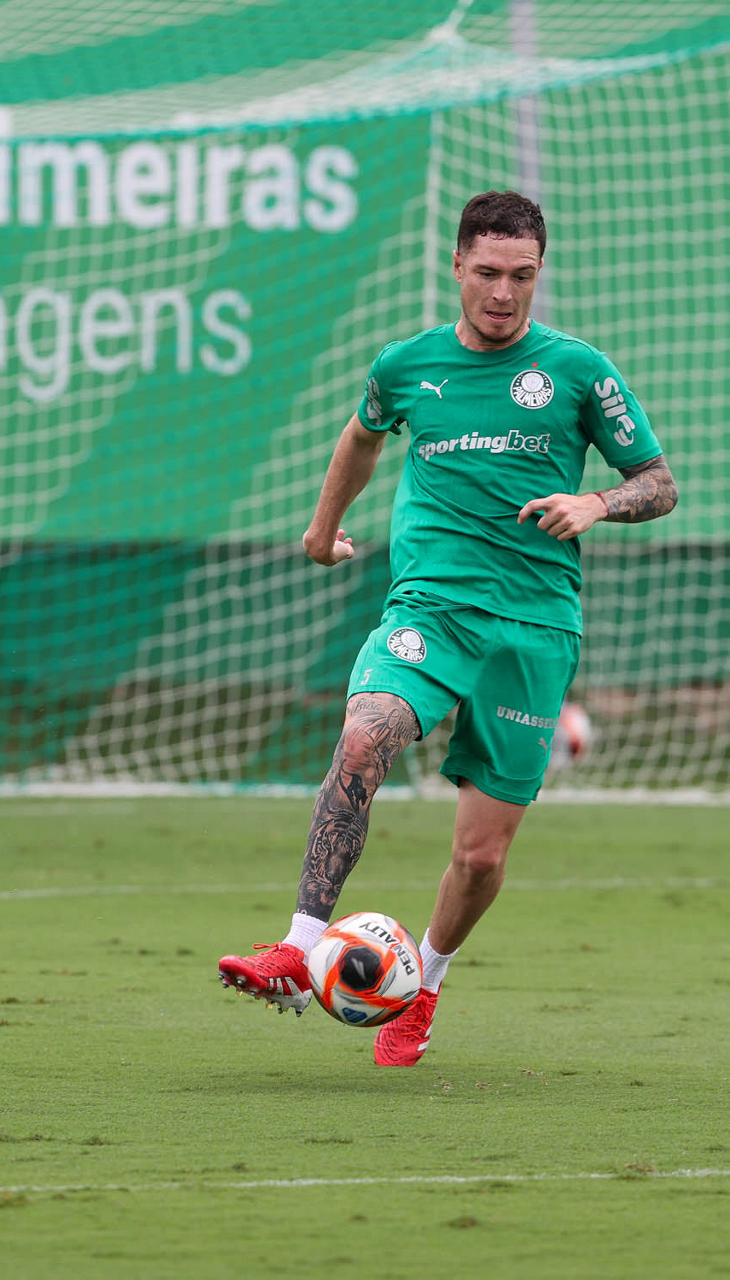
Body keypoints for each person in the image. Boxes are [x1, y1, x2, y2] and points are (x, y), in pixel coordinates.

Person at [218, 190, 678, 1065]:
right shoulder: (407, 365)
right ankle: (298, 947)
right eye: (489, 273)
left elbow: (658, 482)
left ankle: (423, 985)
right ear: (456, 265)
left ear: (538, 274)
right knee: (366, 734)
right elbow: (362, 437)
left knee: (480, 857)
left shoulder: (579, 371)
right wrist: (320, 531)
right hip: (431, 608)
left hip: (534, 629)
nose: (504, 293)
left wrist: (597, 501)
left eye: (522, 276)